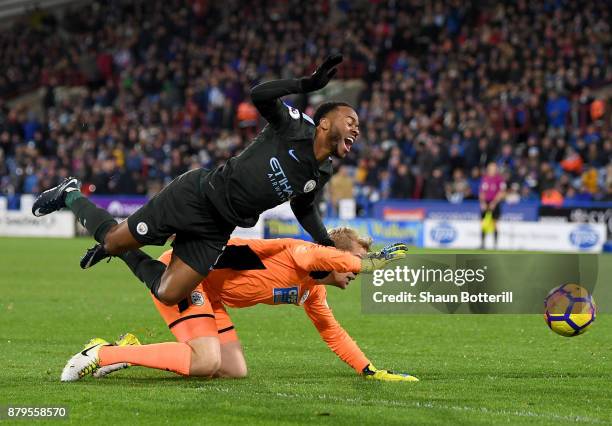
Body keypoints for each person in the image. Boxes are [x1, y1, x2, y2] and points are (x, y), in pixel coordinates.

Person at [32, 55, 361, 306]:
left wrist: (325, 244)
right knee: (116, 240)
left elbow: (303, 206)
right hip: (197, 196)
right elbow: (259, 95)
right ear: (323, 124)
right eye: (350, 121)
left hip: (219, 228)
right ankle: (70, 194)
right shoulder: (294, 126)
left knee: (169, 294)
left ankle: (117, 248)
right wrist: (305, 84)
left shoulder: (322, 172)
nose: (356, 130)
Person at [60, 228, 417, 382]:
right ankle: (103, 354)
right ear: (336, 256)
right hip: (183, 275)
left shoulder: (313, 291)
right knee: (206, 362)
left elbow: (333, 333)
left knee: (233, 370)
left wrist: (368, 369)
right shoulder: (301, 253)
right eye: (354, 260)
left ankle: (130, 350)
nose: (356, 268)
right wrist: (370, 263)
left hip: (211, 295)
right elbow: (321, 256)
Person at [479, 162, 506, 249]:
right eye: (490, 168)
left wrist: (494, 202)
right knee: (484, 223)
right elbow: (482, 191)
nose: (492, 170)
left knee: (494, 223)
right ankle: (482, 244)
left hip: (495, 203)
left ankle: (495, 245)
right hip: (486, 203)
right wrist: (482, 202)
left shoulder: (499, 179)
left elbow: (501, 192)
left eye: (494, 168)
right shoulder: (485, 178)